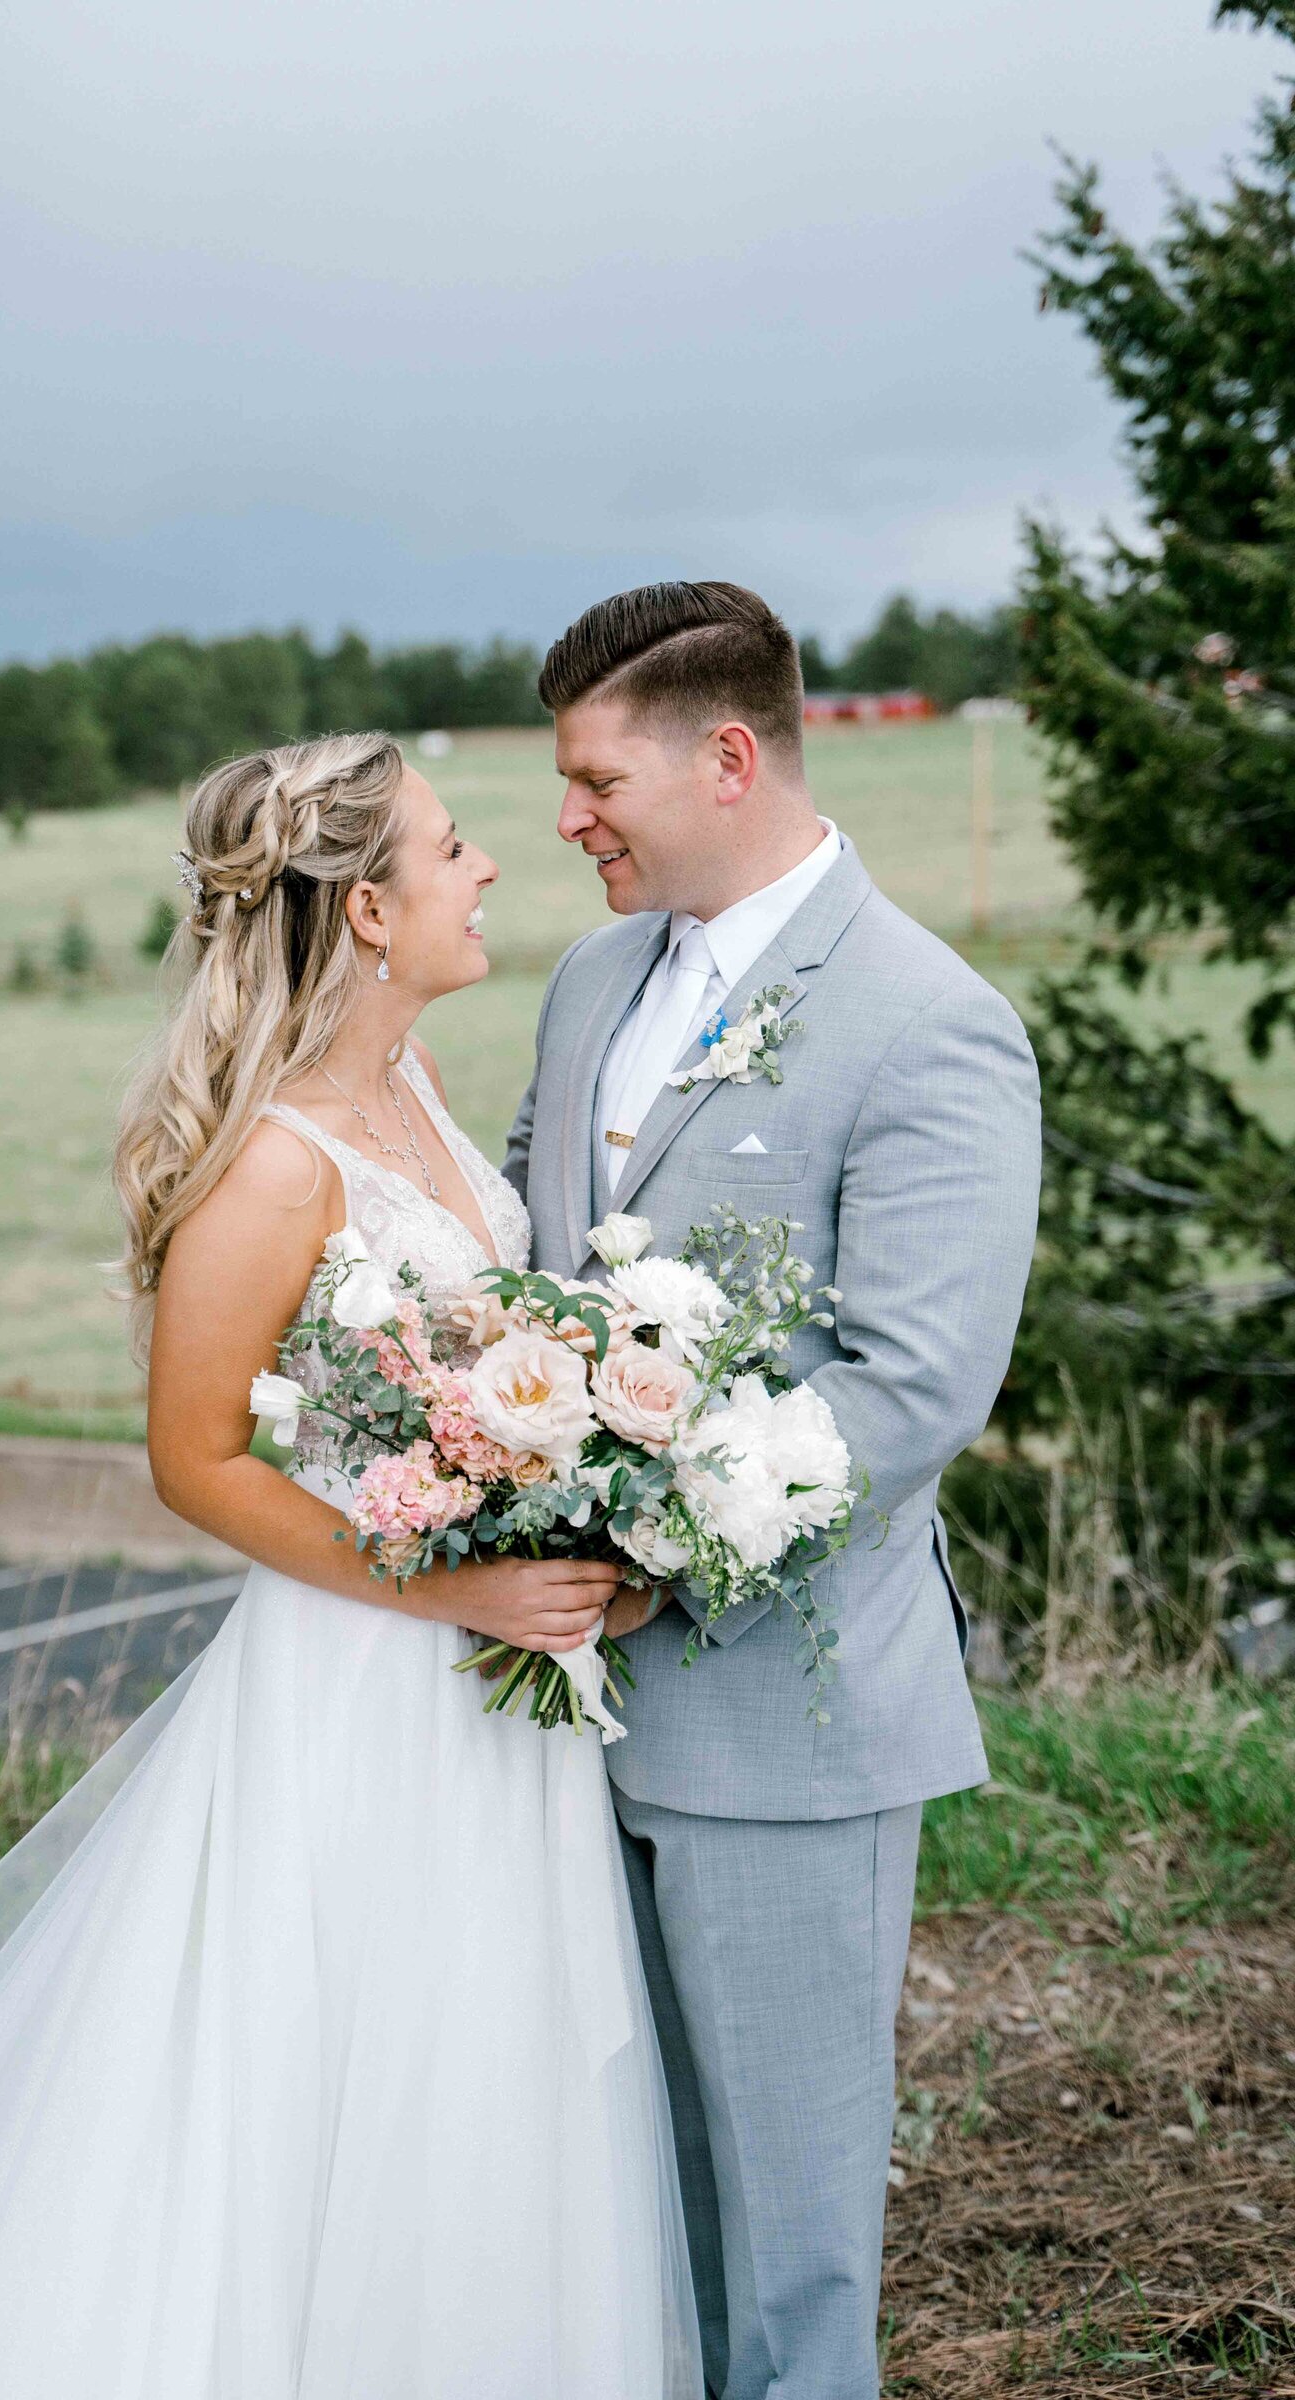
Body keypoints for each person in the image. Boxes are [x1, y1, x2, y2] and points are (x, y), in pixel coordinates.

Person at [0, 731, 702, 2399]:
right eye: (452, 850)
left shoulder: (419, 1097)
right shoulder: (275, 1159)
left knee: (483, 2069)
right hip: (360, 1689)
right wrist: (450, 1589)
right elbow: (194, 1460)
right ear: (368, 911)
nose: (489, 869)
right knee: (334, 2071)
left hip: (487, 1676)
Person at [505, 580, 1042, 2400]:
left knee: (791, 2232)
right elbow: (529, 1266)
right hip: (552, 1704)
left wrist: (651, 1556)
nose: (568, 823)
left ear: (727, 758)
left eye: (594, 781)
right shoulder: (592, 978)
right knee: (630, 2194)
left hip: (782, 1714)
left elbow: (909, 1385)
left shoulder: (928, 1025)